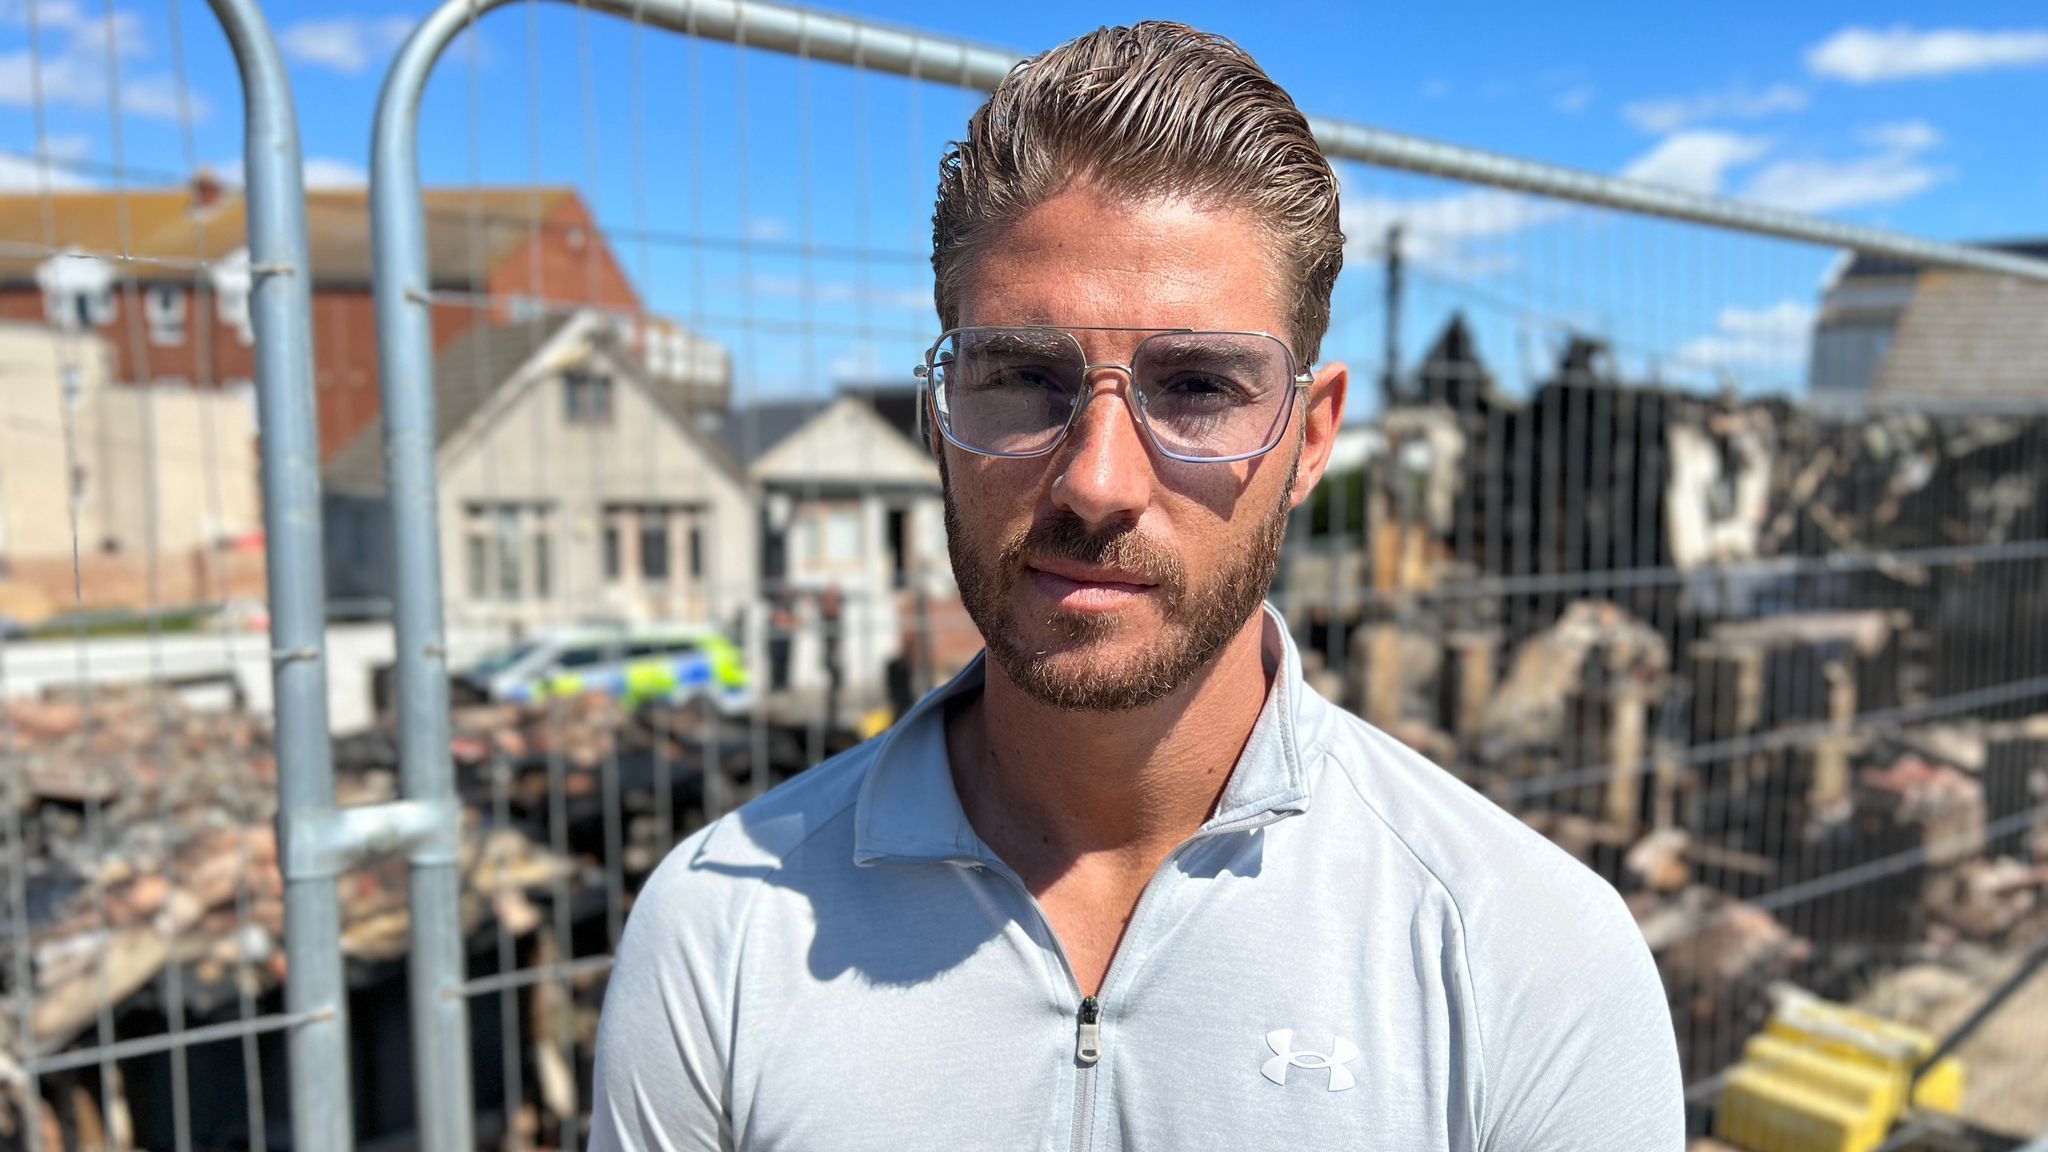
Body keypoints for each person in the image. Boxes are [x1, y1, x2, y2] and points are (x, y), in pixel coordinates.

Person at [590, 22, 1683, 1151]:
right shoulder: (719, 927)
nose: (1098, 481)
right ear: (937, 415)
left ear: (1307, 442)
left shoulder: (1523, 954)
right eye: (1019, 376)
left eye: (1200, 385)